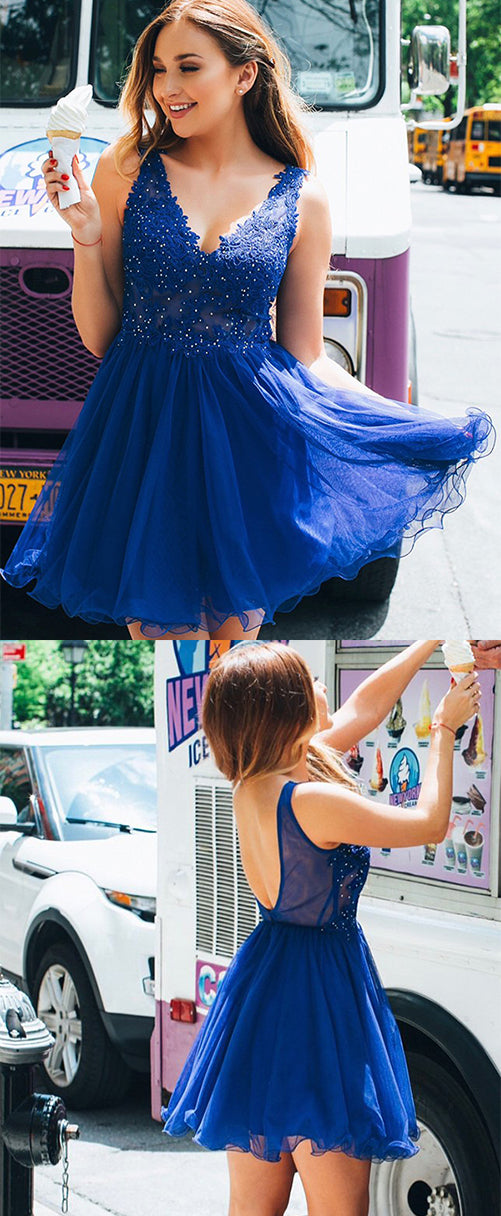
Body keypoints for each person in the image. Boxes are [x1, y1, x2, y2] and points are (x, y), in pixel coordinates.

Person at [0, 0, 494, 641]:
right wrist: (87, 238)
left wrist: (400, 423)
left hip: (250, 444)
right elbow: (101, 338)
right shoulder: (124, 169)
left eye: (187, 67)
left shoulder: (304, 196)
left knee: (236, 646)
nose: (167, 88)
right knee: (161, 642)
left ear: (244, 75)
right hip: (143, 435)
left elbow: (307, 354)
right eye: (157, 69)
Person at [161, 640, 481, 1216]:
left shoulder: (257, 782)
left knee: (252, 1209)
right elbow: (431, 823)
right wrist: (443, 730)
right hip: (321, 998)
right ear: (283, 709)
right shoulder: (310, 799)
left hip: (263, 990)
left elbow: (364, 707)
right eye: (309, 679)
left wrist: (430, 642)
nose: (321, 685)